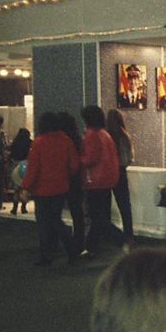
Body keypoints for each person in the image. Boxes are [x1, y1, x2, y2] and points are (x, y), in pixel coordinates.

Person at [20, 112, 80, 266]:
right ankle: (71, 249)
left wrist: (25, 187)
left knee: (43, 223)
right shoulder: (66, 141)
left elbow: (32, 168)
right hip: (61, 187)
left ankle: (46, 255)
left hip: (42, 190)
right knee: (56, 219)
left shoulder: (38, 143)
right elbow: (74, 165)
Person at [80, 105, 127, 257]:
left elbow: (90, 159)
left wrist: (77, 159)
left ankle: (123, 239)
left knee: (97, 218)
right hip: (107, 180)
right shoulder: (105, 134)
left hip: (95, 181)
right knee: (99, 217)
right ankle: (91, 248)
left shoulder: (91, 134)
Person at [58, 112, 86, 254]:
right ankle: (79, 241)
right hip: (76, 179)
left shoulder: (61, 140)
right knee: (77, 213)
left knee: (55, 213)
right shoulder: (77, 139)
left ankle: (61, 242)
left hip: (62, 178)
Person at [107, 108, 135, 238]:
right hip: (121, 172)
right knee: (124, 206)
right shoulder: (124, 135)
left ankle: (109, 234)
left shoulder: (106, 136)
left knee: (105, 206)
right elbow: (129, 158)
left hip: (107, 173)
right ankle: (129, 235)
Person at [7, 128, 32, 215]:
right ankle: (23, 208)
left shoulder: (15, 143)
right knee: (25, 188)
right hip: (26, 165)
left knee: (16, 189)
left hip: (16, 166)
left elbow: (10, 155)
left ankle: (14, 208)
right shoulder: (30, 142)